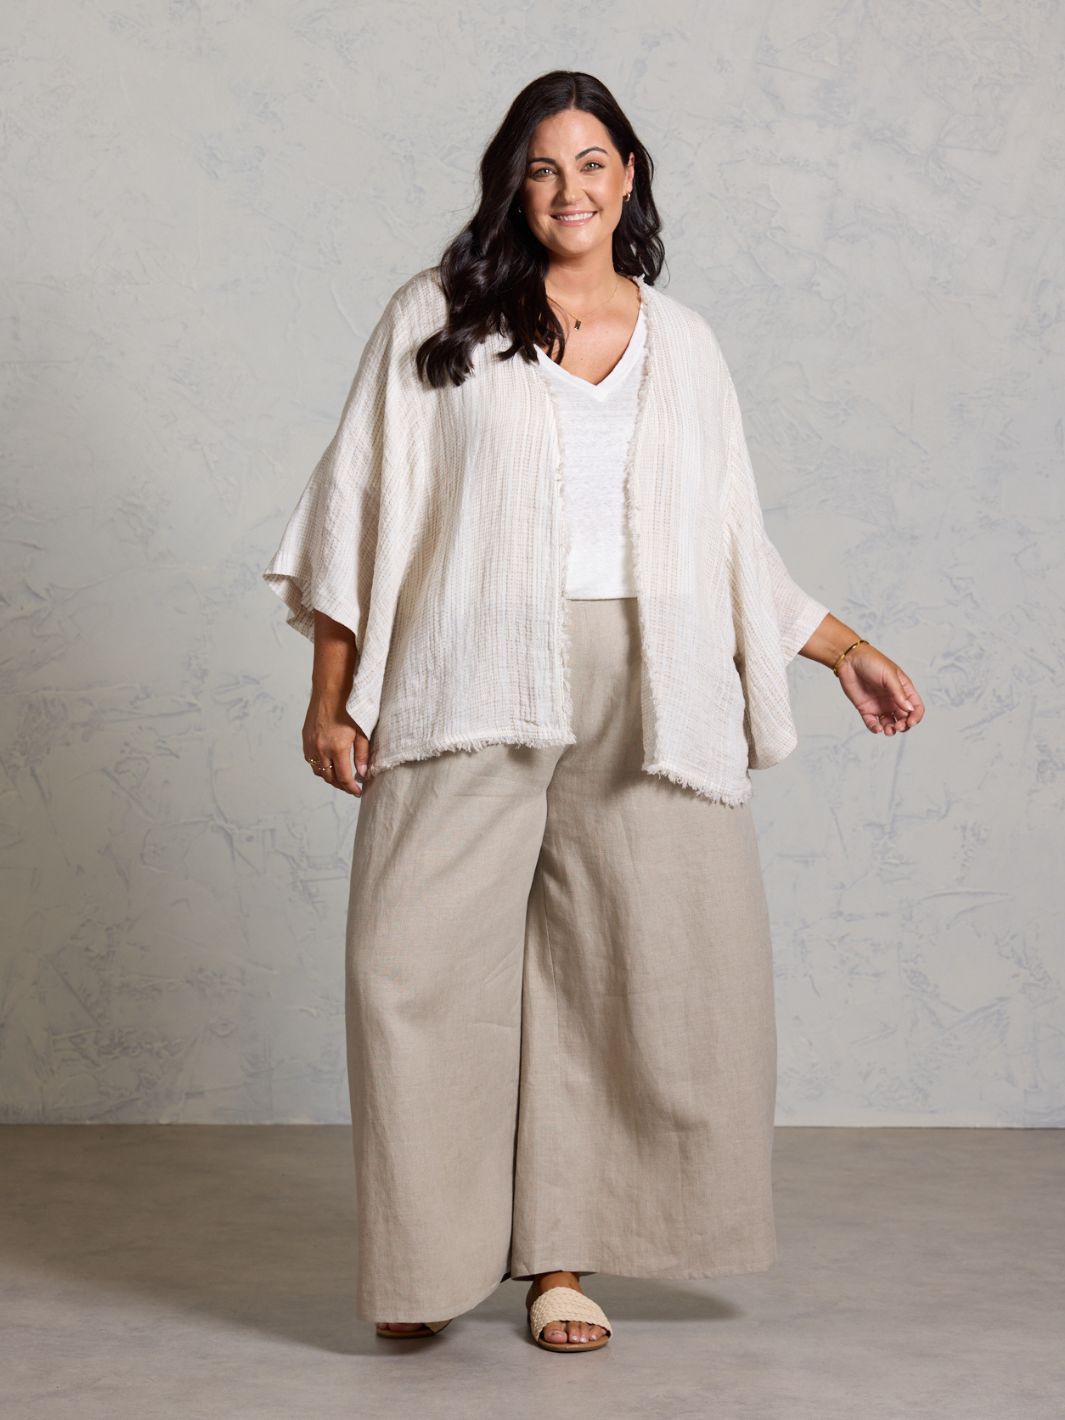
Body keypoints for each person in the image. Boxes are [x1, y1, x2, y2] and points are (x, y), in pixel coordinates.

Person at [262, 70, 925, 1354]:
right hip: (470, 669)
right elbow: (360, 504)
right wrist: (331, 693)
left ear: (630, 176)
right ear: (514, 185)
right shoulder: (439, 314)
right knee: (414, 967)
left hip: (652, 677)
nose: (569, 189)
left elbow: (731, 539)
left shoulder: (688, 344)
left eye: (592, 162)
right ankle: (425, 1258)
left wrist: (843, 649)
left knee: (625, 972)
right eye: (542, 167)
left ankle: (561, 1263)